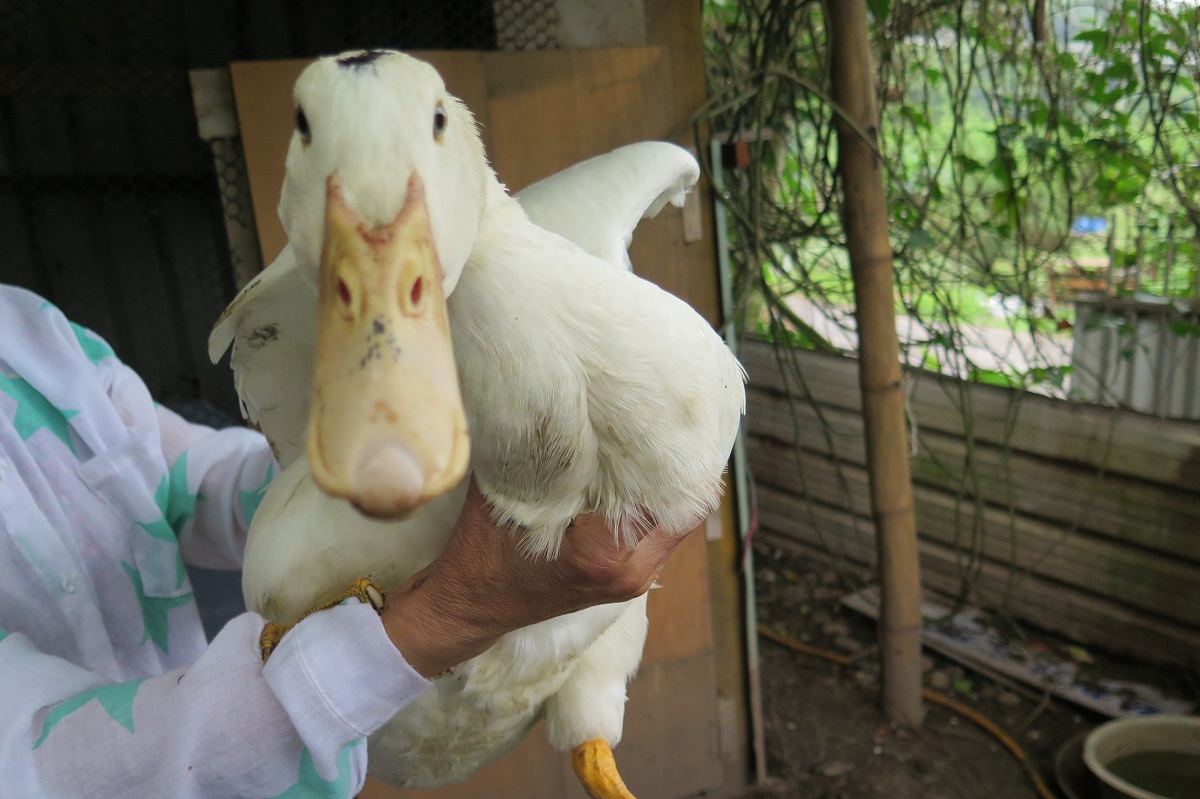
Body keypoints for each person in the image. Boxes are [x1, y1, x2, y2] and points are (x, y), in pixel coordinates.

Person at [0, 284, 686, 799]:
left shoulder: (35, 334)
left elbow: (182, 478)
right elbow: (39, 765)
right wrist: (441, 616)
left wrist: (354, 465)